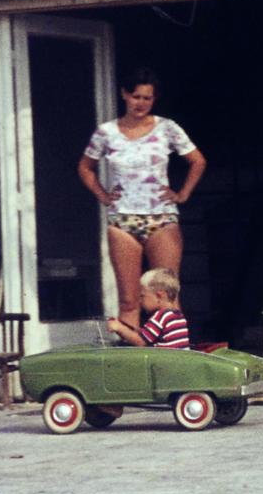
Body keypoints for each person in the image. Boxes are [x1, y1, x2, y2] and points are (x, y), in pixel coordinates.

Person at [78, 68, 207, 328]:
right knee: (129, 299)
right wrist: (103, 195)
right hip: (123, 220)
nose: (141, 103)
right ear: (125, 94)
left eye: (147, 98)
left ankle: (173, 359)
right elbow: (85, 167)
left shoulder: (167, 128)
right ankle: (131, 363)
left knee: (167, 298)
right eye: (136, 96)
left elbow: (197, 161)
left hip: (162, 218)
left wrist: (182, 194)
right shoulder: (106, 132)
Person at [107, 268, 190, 348]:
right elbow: (147, 336)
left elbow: (140, 342)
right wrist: (132, 330)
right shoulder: (177, 315)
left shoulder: (161, 316)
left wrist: (119, 328)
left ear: (159, 296)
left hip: (166, 360)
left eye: (142, 296)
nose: (140, 301)